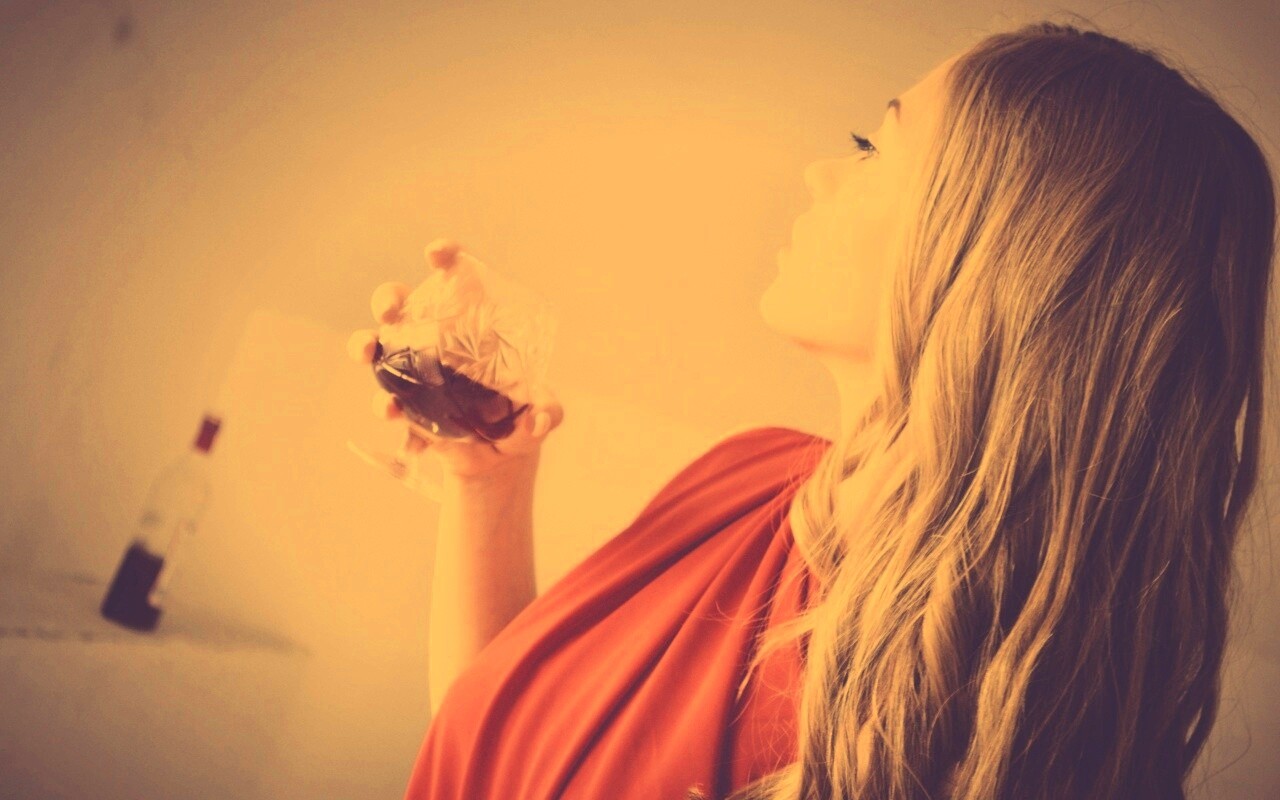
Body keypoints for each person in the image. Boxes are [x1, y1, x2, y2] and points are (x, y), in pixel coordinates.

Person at [347, 17, 1276, 800]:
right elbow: (502, 750)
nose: (819, 173)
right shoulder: (748, 472)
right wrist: (487, 485)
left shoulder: (985, 725)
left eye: (873, 147)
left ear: (1000, 256)